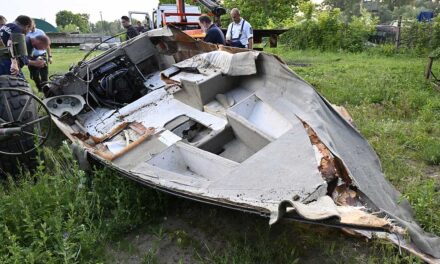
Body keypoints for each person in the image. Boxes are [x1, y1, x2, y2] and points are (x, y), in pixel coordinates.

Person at [27, 23, 52, 90]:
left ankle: (46, 89)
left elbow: (47, 44)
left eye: (32, 26)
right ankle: (40, 88)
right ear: (28, 27)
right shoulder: (26, 34)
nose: (31, 28)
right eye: (30, 27)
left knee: (44, 74)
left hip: (42, 55)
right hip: (32, 57)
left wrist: (50, 56)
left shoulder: (40, 32)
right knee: (34, 76)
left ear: (35, 25)